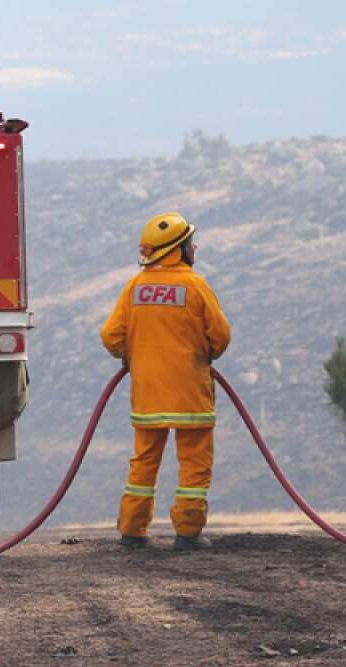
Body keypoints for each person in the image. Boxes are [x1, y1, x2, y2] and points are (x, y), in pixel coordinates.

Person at [101, 213, 231, 551]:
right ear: (177, 249)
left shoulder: (135, 287)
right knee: (194, 464)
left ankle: (132, 530)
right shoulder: (196, 286)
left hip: (148, 394)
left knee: (144, 461)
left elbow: (111, 336)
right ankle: (188, 533)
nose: (194, 248)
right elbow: (220, 336)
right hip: (190, 393)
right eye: (190, 243)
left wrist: (133, 356)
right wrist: (204, 354)